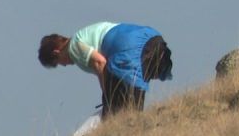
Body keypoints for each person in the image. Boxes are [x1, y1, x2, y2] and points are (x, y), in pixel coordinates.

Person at [38, 22, 173, 118]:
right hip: (152, 38)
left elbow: (100, 62)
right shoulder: (84, 35)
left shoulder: (73, 47)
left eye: (58, 62)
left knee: (116, 112)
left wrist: (107, 95)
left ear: (57, 52)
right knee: (128, 105)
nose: (64, 65)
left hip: (129, 48)